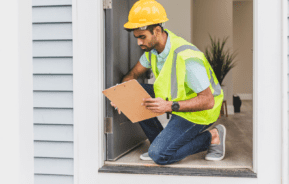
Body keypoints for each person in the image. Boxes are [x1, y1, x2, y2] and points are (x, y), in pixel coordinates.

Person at [111, 0, 226, 165]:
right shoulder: (153, 52)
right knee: (132, 92)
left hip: (201, 111)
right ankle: (159, 141)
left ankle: (213, 136)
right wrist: (123, 94)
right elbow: (132, 74)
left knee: (160, 155)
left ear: (157, 31)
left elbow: (208, 100)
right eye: (136, 38)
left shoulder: (186, 57)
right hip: (177, 102)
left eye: (142, 37)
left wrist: (170, 106)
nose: (139, 43)